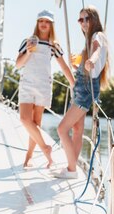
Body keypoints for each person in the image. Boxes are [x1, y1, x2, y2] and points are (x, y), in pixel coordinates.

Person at [53, 5, 113, 179]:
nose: (84, 22)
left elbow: (97, 50)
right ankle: (72, 165)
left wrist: (90, 61)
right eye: (81, 19)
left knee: (61, 129)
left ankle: (72, 170)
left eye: (87, 18)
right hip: (82, 87)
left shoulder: (97, 36)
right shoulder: (89, 39)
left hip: (86, 89)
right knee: (77, 129)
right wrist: (79, 65)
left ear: (94, 19)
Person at [15, 9, 74, 169]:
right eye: (41, 21)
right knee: (24, 119)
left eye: (47, 22)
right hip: (27, 83)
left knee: (36, 122)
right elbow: (18, 64)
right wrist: (28, 51)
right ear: (37, 23)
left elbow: (63, 66)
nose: (44, 24)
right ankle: (45, 147)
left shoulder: (53, 46)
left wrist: (73, 84)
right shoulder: (27, 41)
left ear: (51, 25)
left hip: (43, 85)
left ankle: (29, 157)